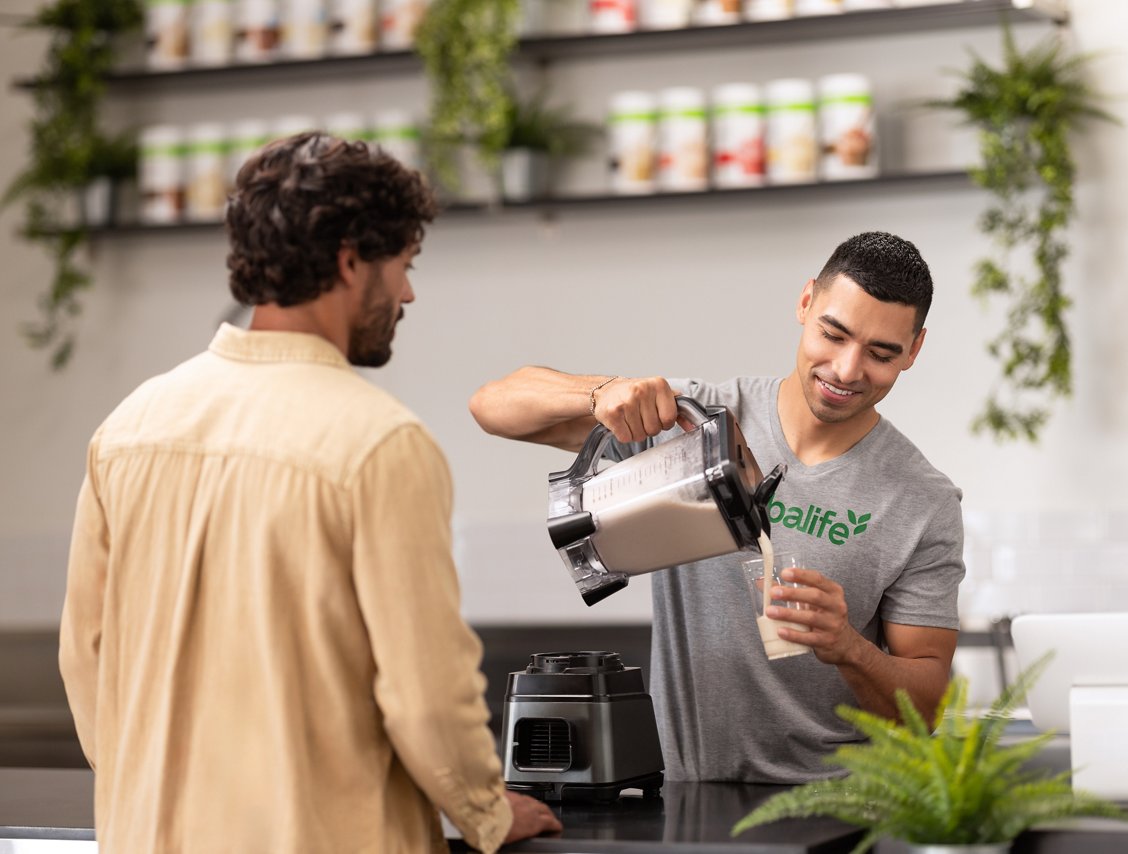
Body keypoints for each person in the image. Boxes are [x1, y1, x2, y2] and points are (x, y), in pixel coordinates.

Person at [58, 133, 561, 852]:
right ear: (352, 260)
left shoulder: (129, 428)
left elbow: (86, 657)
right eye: (404, 265)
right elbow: (425, 697)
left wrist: (151, 782)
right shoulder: (380, 443)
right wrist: (486, 810)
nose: (410, 292)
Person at [469, 231, 965, 784]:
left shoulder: (924, 500)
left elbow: (927, 706)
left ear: (914, 350)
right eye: (833, 334)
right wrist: (603, 392)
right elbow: (492, 406)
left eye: (881, 353)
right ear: (805, 304)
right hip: (683, 802)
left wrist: (848, 647)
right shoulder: (692, 421)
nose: (847, 370)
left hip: (835, 812)